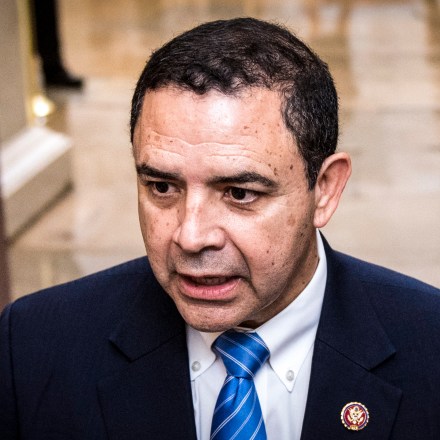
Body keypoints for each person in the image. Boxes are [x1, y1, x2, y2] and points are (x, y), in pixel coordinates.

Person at [1, 17, 439, 440]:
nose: (190, 237)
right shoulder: (35, 347)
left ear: (324, 189)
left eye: (239, 193)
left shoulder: (429, 347)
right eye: (161, 186)